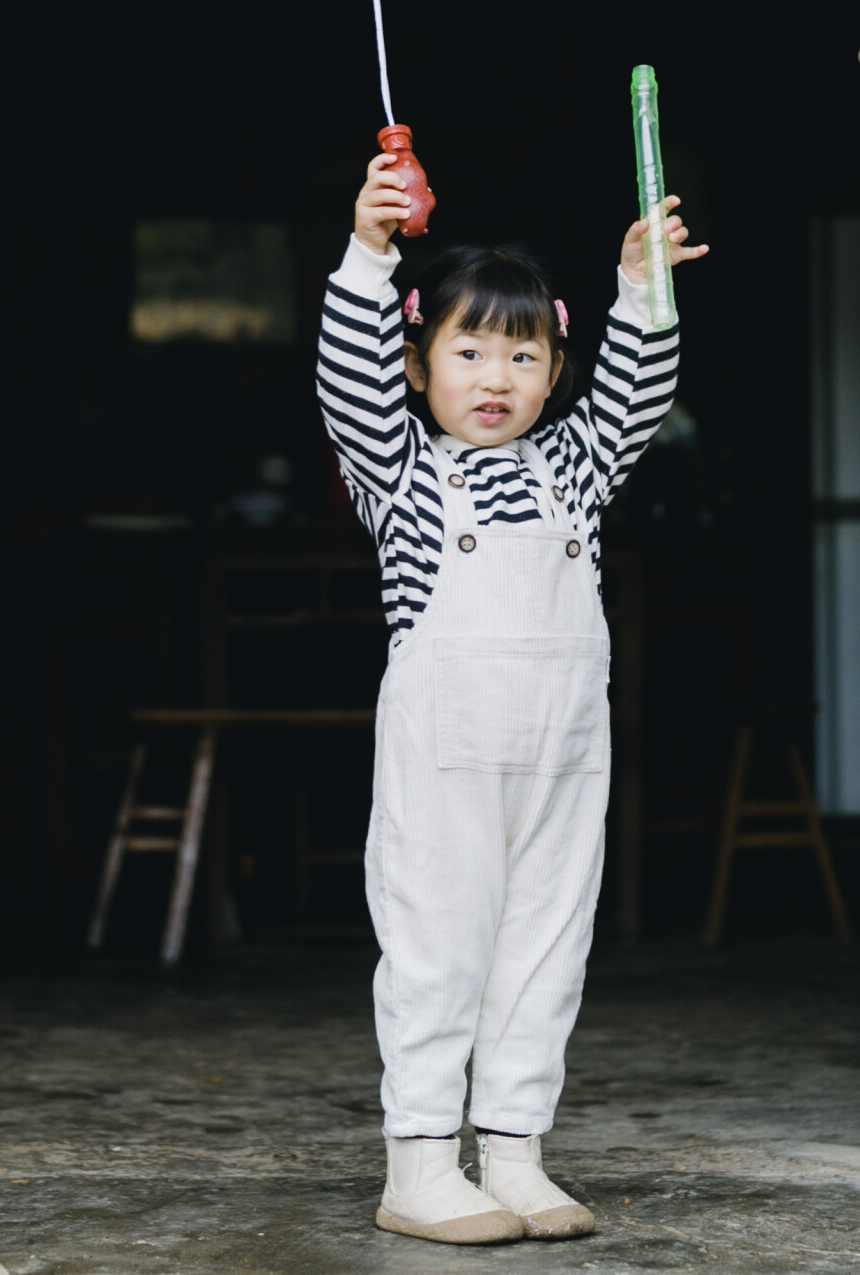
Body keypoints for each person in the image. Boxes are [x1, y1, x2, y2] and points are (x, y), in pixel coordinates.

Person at [317, 151, 708, 1245]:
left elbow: (637, 391)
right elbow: (343, 376)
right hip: (444, 753)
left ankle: (517, 1156)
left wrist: (640, 287)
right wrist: (369, 247)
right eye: (469, 349)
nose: (495, 375)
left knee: (545, 946)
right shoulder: (394, 470)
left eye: (522, 354)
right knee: (439, 946)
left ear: (553, 369)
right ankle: (421, 1166)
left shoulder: (576, 465)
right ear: (418, 364)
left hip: (561, 753)